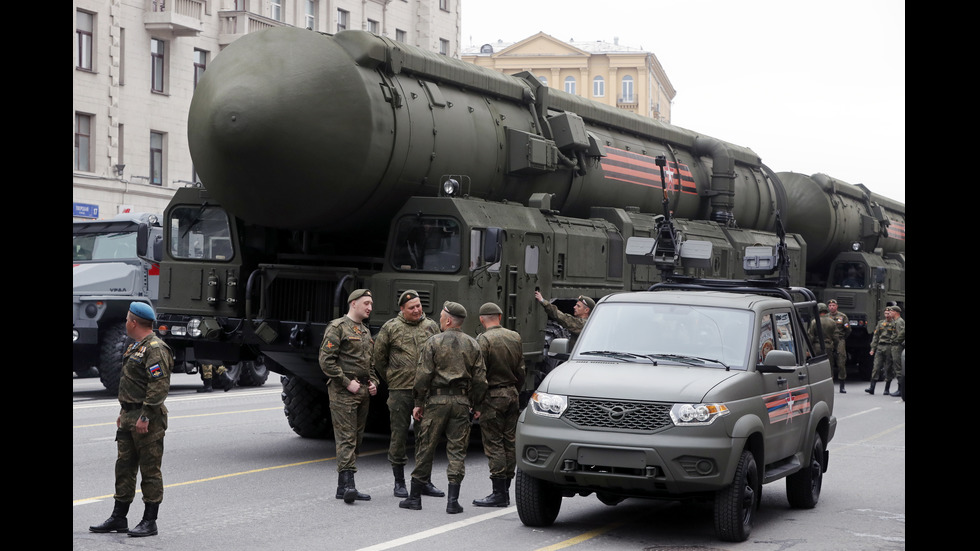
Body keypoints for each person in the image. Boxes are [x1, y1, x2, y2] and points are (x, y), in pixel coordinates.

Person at [90, 302, 173, 538]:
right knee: (124, 468)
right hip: (129, 416)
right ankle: (119, 516)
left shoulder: (155, 348)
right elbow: (133, 385)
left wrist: (145, 416)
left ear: (134, 322)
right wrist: (123, 412)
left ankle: (149, 521)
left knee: (150, 470)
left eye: (127, 319)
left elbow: (159, 387)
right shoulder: (135, 347)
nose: (126, 322)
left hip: (147, 419)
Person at [400, 301, 487, 514]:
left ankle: (414, 498)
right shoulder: (472, 344)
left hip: (436, 403)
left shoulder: (433, 342)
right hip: (461, 403)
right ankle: (452, 501)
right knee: (457, 451)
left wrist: (418, 403)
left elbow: (423, 376)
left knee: (425, 447)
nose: (439, 319)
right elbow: (480, 380)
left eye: (441, 316)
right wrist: (476, 404)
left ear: (448, 320)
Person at [373, 290, 443, 499]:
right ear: (402, 309)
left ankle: (424, 481)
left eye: (418, 306)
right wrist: (392, 379)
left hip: (425, 392)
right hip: (400, 392)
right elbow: (379, 358)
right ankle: (399, 482)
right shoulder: (391, 328)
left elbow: (438, 355)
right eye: (411, 307)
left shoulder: (431, 326)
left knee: (426, 437)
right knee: (399, 436)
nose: (416, 310)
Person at [319, 289, 379, 503]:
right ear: (353, 304)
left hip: (362, 391)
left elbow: (370, 364)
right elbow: (326, 361)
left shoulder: (364, 330)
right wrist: (346, 382)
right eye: (366, 303)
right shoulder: (337, 327)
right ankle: (349, 487)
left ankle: (341, 487)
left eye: (371, 303)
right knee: (346, 439)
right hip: (343, 391)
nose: (370, 307)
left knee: (357, 439)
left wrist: (374, 382)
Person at [472, 302, 525, 508]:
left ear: (481, 319)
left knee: (494, 444)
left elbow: (479, 375)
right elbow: (521, 370)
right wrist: (515, 390)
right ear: (500, 317)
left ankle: (498, 493)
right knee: (509, 441)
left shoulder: (483, 340)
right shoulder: (515, 337)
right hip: (512, 393)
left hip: (492, 396)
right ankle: (506, 489)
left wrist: (476, 402)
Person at [867, 305, 905, 396]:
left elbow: (901, 334)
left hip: (892, 347)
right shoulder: (881, 323)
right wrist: (873, 348)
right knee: (876, 367)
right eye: (887, 312)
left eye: (890, 312)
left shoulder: (898, 322)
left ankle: (894, 389)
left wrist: (896, 341)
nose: (888, 314)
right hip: (882, 347)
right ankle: (872, 387)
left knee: (891, 367)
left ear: (895, 312)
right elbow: (876, 336)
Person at [808, 304, 839, 379]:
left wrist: (808, 349)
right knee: (829, 367)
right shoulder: (832, 322)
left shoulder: (814, 321)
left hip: (816, 347)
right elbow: (836, 338)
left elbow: (810, 336)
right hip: (828, 347)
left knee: (816, 366)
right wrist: (834, 347)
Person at [827, 299, 851, 393]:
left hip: (840, 339)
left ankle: (842, 385)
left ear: (836, 306)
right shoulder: (826, 317)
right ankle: (830, 384)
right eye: (830, 305)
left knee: (841, 361)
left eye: (833, 305)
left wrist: (843, 338)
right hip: (829, 340)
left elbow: (848, 329)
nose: (832, 307)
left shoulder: (842, 316)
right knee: (829, 362)